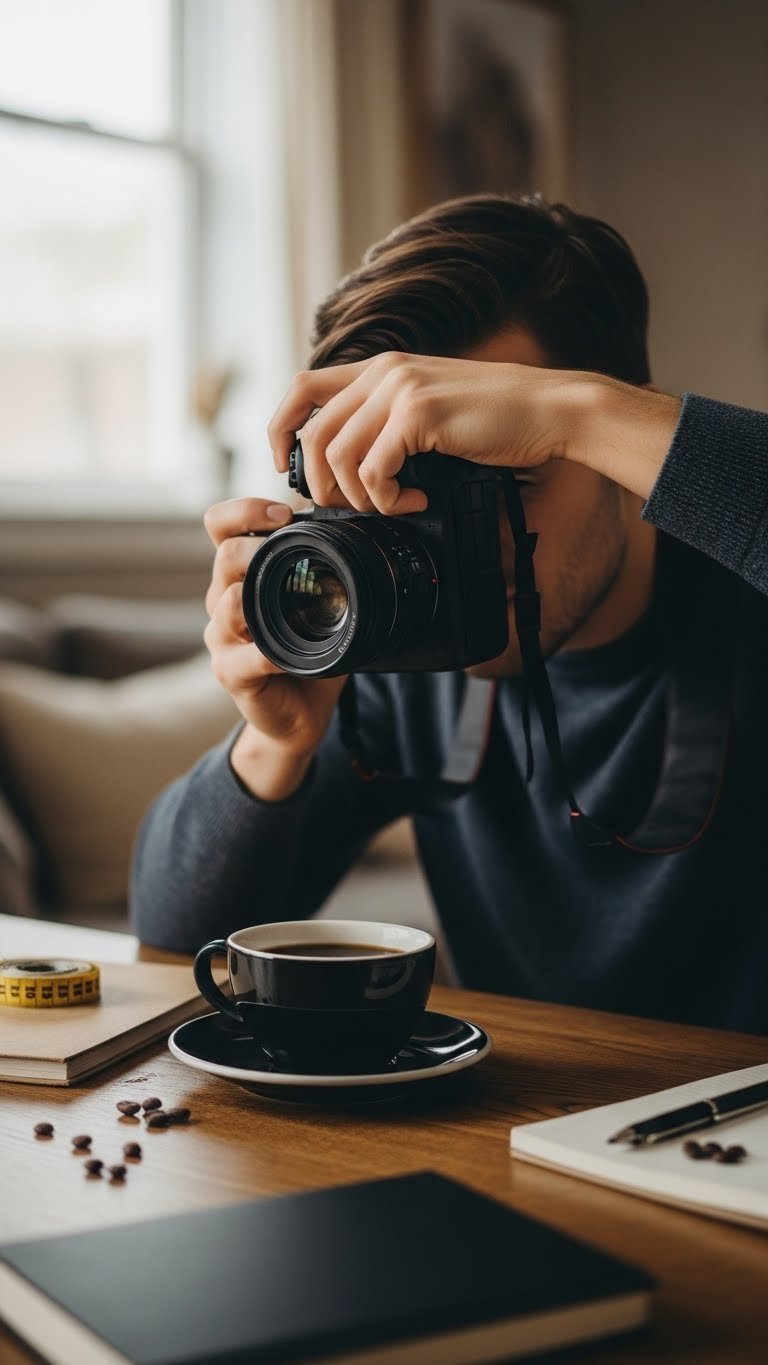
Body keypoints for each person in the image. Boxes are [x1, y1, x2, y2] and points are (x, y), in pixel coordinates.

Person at [131, 194, 768, 1033]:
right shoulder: (410, 637)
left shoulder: (741, 586)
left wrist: (576, 411)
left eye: (511, 478)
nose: (466, 547)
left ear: (614, 444)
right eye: (409, 489)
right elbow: (175, 938)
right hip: (504, 1132)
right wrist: (273, 743)